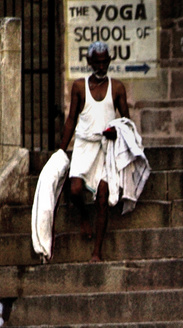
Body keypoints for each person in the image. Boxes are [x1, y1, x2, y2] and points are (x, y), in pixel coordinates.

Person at [59, 42, 131, 262]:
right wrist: (61, 151)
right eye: (96, 62)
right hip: (84, 145)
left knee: (102, 198)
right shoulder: (79, 87)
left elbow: (126, 123)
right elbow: (71, 119)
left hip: (106, 148)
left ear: (109, 61)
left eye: (104, 61)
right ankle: (83, 217)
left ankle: (97, 252)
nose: (101, 66)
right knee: (74, 190)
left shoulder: (117, 87)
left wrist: (115, 133)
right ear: (89, 62)